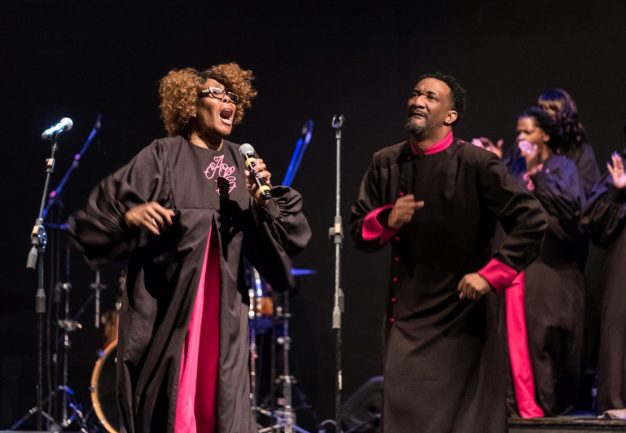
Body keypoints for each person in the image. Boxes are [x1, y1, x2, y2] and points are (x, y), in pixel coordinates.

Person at [68, 62, 311, 433]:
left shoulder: (241, 163)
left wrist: (263, 200)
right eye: (217, 94)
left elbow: (285, 241)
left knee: (222, 410)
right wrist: (130, 217)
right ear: (190, 104)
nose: (228, 102)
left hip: (224, 321)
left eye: (232, 97)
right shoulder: (164, 155)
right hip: (168, 318)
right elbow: (94, 220)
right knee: (171, 411)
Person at [350, 72, 548, 433]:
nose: (417, 101)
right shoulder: (385, 163)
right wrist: (388, 219)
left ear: (450, 115)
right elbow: (358, 232)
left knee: (468, 422)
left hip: (464, 316)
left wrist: (491, 274)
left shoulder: (477, 163)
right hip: (409, 318)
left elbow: (532, 220)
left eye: (430, 97)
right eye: (415, 94)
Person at [503, 107, 585, 417]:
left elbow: (571, 210)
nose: (520, 137)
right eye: (518, 132)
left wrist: (536, 172)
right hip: (521, 264)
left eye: (527, 131)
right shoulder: (513, 166)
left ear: (545, 135)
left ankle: (549, 405)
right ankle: (520, 405)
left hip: (553, 264)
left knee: (545, 337)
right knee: (516, 338)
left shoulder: (563, 167)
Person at [582, 109, 626, 417]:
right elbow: (594, 224)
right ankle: (621, 399)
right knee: (621, 326)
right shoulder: (623, 169)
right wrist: (617, 192)